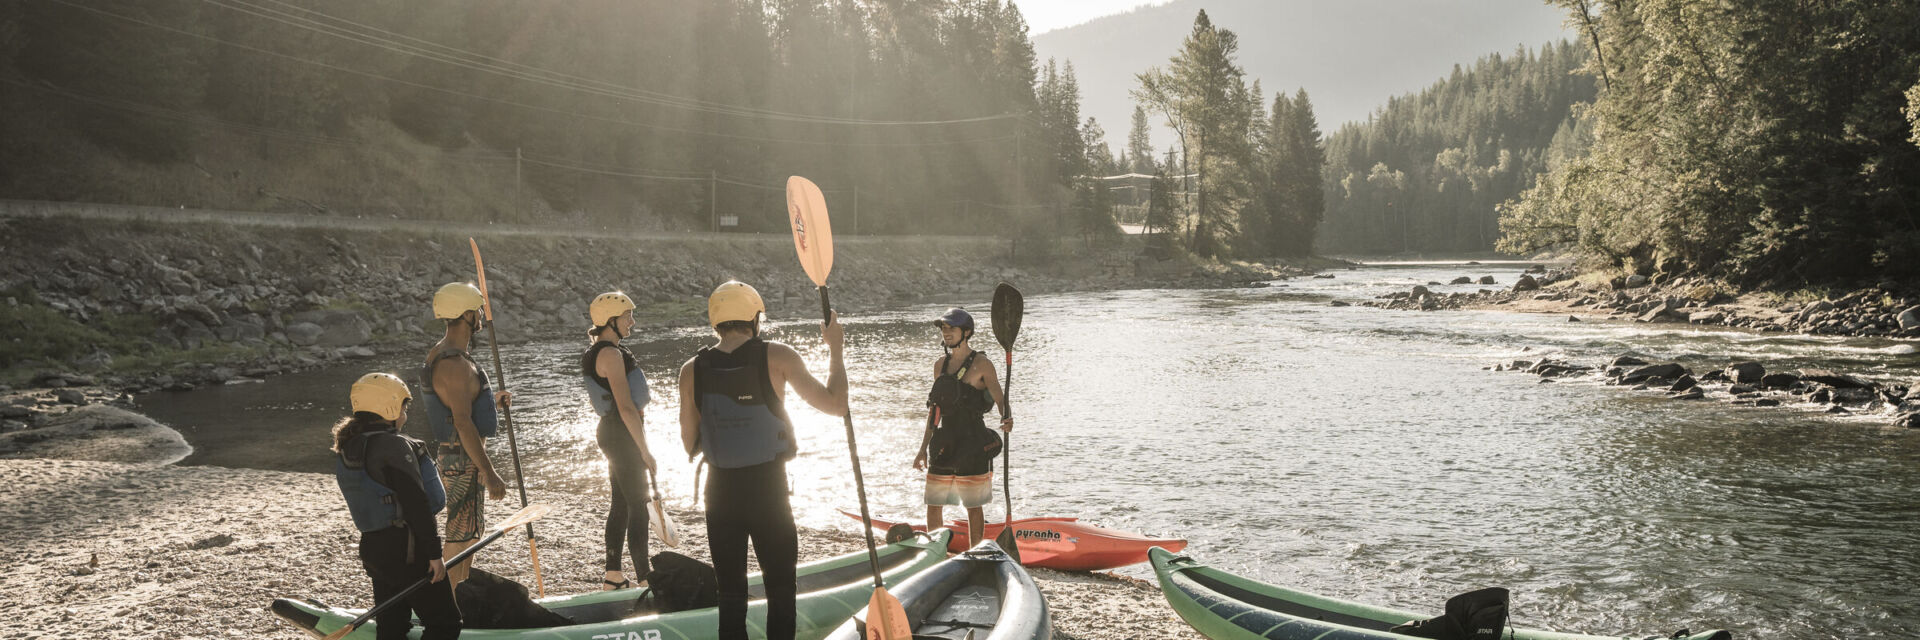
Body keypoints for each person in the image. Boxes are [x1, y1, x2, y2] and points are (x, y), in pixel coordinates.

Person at [679, 281, 846, 640]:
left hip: (719, 491)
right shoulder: (778, 355)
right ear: (755, 318)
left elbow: (688, 441)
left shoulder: (691, 369)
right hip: (768, 490)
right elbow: (836, 404)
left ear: (716, 321)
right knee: (781, 590)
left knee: (731, 594)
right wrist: (835, 350)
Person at [333, 372, 461, 640]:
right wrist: (434, 555)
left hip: (375, 550)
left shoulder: (350, 444)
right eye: (404, 406)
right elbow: (417, 504)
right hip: (408, 551)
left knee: (392, 627)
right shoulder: (393, 446)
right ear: (389, 407)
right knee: (446, 624)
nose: (405, 413)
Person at [423, 282, 511, 587]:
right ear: (468, 314)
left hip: (455, 457)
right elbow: (462, 421)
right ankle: (448, 604)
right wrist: (489, 472)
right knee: (462, 536)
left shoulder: (444, 353)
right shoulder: (455, 364)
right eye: (478, 310)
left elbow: (456, 404)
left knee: (469, 533)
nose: (482, 315)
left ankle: (456, 600)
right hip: (463, 461)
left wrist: (491, 400)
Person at [913, 308, 1012, 547]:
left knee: (973, 505)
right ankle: (934, 550)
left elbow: (1000, 398)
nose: (946, 333)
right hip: (943, 440)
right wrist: (922, 448)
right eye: (944, 329)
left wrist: (1007, 418)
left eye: (951, 328)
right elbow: (934, 410)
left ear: (966, 332)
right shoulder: (940, 365)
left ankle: (975, 551)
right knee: (934, 502)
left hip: (973, 441)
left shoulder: (983, 364)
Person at [582, 291, 658, 591]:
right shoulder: (610, 355)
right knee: (638, 503)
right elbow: (626, 407)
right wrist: (646, 451)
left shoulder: (601, 351)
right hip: (621, 434)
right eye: (628, 316)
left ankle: (613, 575)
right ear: (610, 320)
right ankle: (644, 577)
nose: (633, 321)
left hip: (613, 433)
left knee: (621, 504)